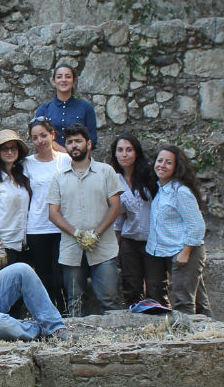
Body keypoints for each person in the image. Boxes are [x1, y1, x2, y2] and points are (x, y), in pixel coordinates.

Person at [47, 124, 122, 316]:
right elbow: (53, 213)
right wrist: (77, 233)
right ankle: (77, 344)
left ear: (88, 144)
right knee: (75, 301)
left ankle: (113, 343)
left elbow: (115, 207)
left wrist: (96, 234)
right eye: (70, 142)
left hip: (104, 248)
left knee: (109, 299)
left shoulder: (106, 172)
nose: (74, 146)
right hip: (72, 249)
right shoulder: (58, 178)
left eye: (78, 141)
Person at [148, 145, 211, 315]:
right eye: (159, 161)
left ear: (176, 167)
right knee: (197, 298)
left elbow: (197, 225)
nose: (162, 165)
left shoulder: (180, 192)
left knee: (184, 300)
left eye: (168, 162)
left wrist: (186, 252)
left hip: (185, 251)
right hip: (170, 250)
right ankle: (209, 332)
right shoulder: (161, 190)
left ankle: (190, 337)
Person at [109, 133, 167, 306]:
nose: (124, 154)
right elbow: (118, 216)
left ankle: (160, 326)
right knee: (131, 287)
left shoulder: (151, 174)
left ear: (136, 152)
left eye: (129, 150)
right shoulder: (115, 179)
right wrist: (117, 245)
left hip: (153, 239)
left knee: (156, 287)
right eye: (120, 150)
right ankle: (135, 324)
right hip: (129, 240)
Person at [23, 117, 71, 310]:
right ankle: (49, 312)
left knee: (61, 273)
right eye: (35, 138)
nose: (40, 141)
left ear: (53, 135)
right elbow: (27, 194)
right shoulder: (27, 164)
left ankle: (66, 311)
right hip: (37, 226)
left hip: (61, 225)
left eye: (43, 135)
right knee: (44, 275)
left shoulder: (66, 160)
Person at [0, 129, 32, 271]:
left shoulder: (21, 177)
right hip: (2, 243)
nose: (9, 152)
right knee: (1, 287)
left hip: (20, 243)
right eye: (5, 149)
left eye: (13, 148)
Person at [35, 62, 97, 148]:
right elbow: (39, 138)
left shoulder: (86, 108)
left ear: (74, 81)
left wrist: (74, 155)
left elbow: (92, 140)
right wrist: (63, 153)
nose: (63, 80)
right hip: (51, 159)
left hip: (78, 158)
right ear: (53, 81)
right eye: (59, 77)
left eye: (68, 77)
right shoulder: (43, 110)